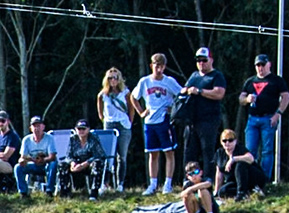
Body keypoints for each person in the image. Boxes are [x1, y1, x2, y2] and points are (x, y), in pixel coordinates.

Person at [133, 53, 185, 194]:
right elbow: (134, 97)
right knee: (152, 153)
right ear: (151, 66)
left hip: (164, 120)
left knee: (168, 151)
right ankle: (153, 184)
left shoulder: (169, 81)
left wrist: (173, 108)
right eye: (156, 65)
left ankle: (167, 183)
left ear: (164, 67)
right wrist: (141, 112)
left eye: (161, 66)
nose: (158, 68)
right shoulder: (145, 82)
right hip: (150, 122)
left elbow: (182, 94)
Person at [240, 54, 289, 177]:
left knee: (267, 151)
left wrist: (278, 114)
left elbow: (286, 97)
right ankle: (251, 177)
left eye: (262, 64)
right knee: (250, 150)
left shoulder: (276, 80)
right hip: (252, 119)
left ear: (269, 64)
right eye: (258, 65)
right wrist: (247, 99)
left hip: (268, 118)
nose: (260, 68)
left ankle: (264, 179)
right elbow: (241, 98)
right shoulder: (250, 81)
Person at [179, 48, 230, 170]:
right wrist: (185, 91)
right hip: (192, 121)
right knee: (189, 151)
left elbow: (219, 93)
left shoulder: (216, 76)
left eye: (204, 60)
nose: (201, 63)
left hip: (209, 120)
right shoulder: (194, 76)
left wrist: (200, 91)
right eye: (198, 60)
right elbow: (184, 89)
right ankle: (190, 179)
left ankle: (208, 178)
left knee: (207, 151)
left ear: (211, 60)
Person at [98, 67, 135, 191]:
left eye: (115, 77)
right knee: (108, 155)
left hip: (123, 125)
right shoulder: (103, 95)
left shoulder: (126, 92)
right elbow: (100, 113)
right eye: (110, 78)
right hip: (109, 125)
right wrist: (106, 121)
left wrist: (129, 122)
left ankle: (120, 184)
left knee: (122, 155)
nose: (113, 80)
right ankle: (105, 183)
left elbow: (131, 108)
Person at [214, 130, 267, 198]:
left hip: (252, 177)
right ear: (221, 142)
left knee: (240, 164)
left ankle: (241, 194)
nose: (227, 143)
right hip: (234, 181)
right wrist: (216, 190)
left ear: (235, 141)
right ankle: (249, 191)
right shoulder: (219, 153)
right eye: (224, 140)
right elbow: (219, 173)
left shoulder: (240, 149)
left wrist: (233, 159)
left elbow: (251, 159)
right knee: (222, 192)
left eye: (230, 140)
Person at [16, 116, 57, 197]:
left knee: (53, 164)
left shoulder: (49, 138)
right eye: (34, 126)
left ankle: (49, 191)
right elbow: (23, 156)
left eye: (39, 126)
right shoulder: (26, 140)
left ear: (43, 127)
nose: (36, 128)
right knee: (18, 167)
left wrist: (43, 160)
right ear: (31, 128)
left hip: (46, 164)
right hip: (32, 163)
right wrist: (22, 161)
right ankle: (23, 192)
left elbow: (52, 156)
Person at [65, 120, 104, 199]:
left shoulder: (93, 138)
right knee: (62, 165)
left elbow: (98, 155)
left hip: (89, 164)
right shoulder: (73, 139)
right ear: (76, 129)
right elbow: (68, 155)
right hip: (76, 164)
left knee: (97, 163)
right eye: (79, 129)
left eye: (83, 129)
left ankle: (94, 192)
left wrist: (84, 164)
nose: (81, 131)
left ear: (88, 129)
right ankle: (65, 192)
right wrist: (73, 163)